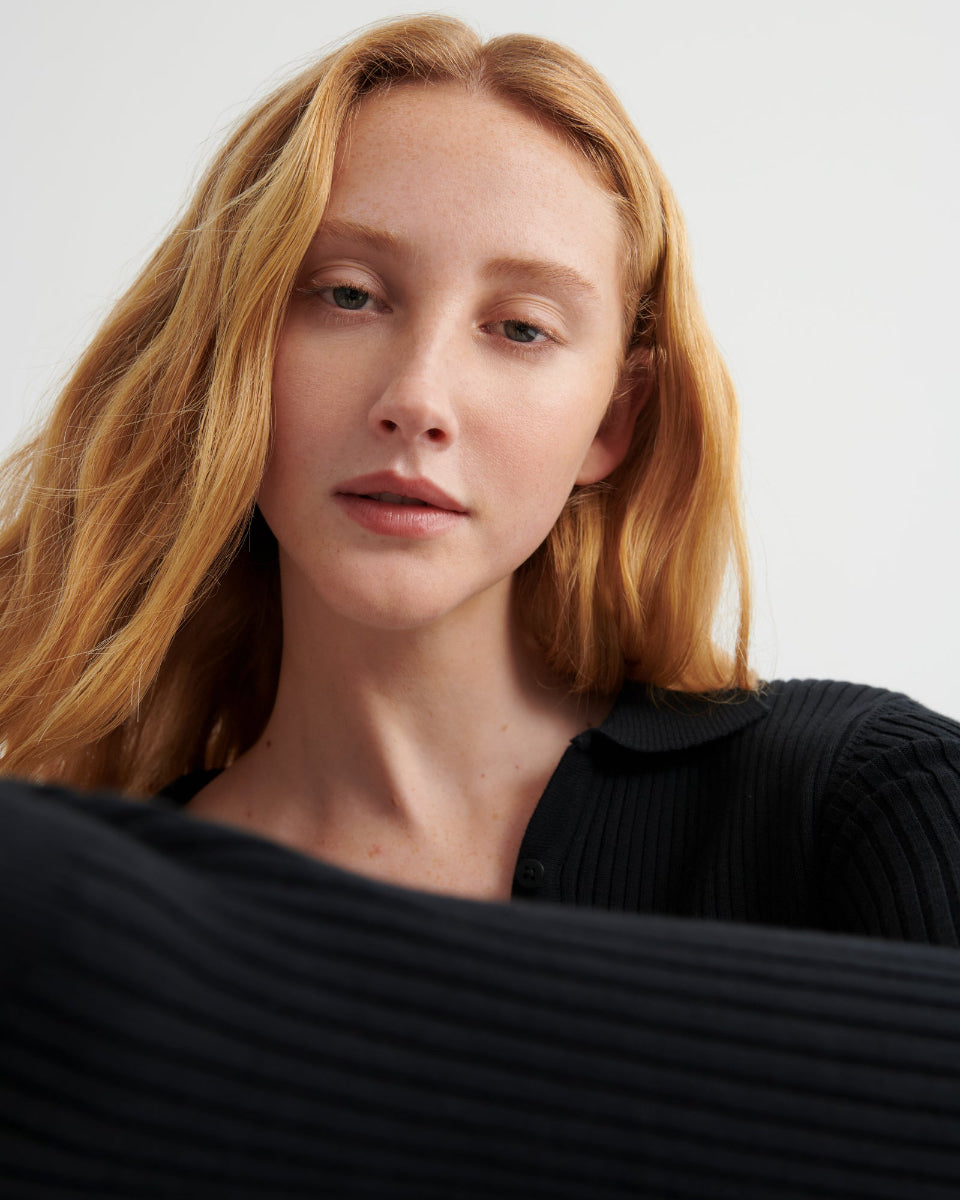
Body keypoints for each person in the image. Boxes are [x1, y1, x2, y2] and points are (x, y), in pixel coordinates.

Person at [1, 14, 960, 1191]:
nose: (418, 398)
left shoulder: (866, 802)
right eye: (346, 296)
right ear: (232, 348)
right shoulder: (65, 942)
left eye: (519, 328)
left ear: (613, 423)